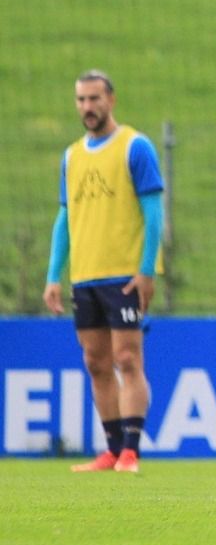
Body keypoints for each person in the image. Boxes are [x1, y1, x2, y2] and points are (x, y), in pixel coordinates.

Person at [42, 70, 166, 474]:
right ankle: (112, 450)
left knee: (127, 359)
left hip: (124, 274)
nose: (87, 107)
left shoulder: (136, 146)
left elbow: (153, 212)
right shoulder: (72, 156)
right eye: (80, 100)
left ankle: (131, 451)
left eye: (94, 99)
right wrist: (53, 275)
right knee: (96, 363)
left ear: (111, 99)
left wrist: (146, 270)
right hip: (87, 276)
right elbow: (65, 218)